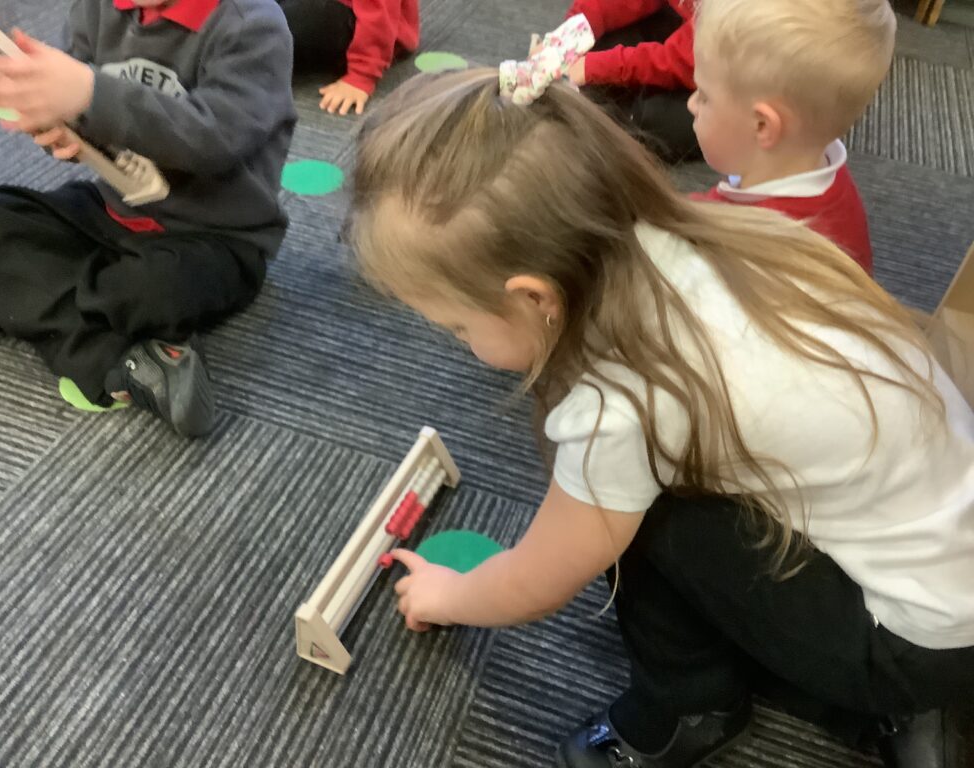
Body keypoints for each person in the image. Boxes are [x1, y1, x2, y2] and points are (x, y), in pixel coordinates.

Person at [347, 68, 974, 768]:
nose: (459, 342)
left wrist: (452, 594)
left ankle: (689, 709)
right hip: (947, 550)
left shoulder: (623, 402)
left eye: (459, 326)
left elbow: (539, 579)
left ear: (536, 297)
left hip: (918, 643)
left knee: (634, 518)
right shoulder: (702, 232)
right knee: (648, 486)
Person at [0, 0, 296, 437]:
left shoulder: (252, 25)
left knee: (149, 290)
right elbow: (86, 119)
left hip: (217, 235)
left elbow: (214, 140)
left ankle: (19, 302)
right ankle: (130, 360)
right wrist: (61, 123)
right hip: (115, 211)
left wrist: (90, 94)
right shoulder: (97, 8)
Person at [688, 0, 895, 275]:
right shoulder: (831, 181)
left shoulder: (741, 244)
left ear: (762, 125)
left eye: (703, 96)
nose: (691, 104)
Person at [560, 0, 697, 163]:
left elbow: (683, 61)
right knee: (598, 43)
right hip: (689, 27)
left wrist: (597, 67)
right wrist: (570, 33)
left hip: (711, 64)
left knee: (653, 120)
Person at [278, 0, 418, 115]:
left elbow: (379, 17)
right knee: (271, 17)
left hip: (365, 28)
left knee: (281, 25)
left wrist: (362, 74)